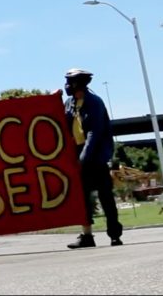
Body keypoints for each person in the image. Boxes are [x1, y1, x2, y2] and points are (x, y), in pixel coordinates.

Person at [60, 68, 123, 249]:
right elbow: (62, 124)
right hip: (79, 153)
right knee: (83, 199)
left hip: (96, 156)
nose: (68, 86)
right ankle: (87, 236)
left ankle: (114, 235)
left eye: (70, 83)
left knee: (106, 198)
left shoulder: (95, 102)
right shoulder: (69, 103)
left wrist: (83, 158)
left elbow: (94, 134)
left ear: (80, 84)